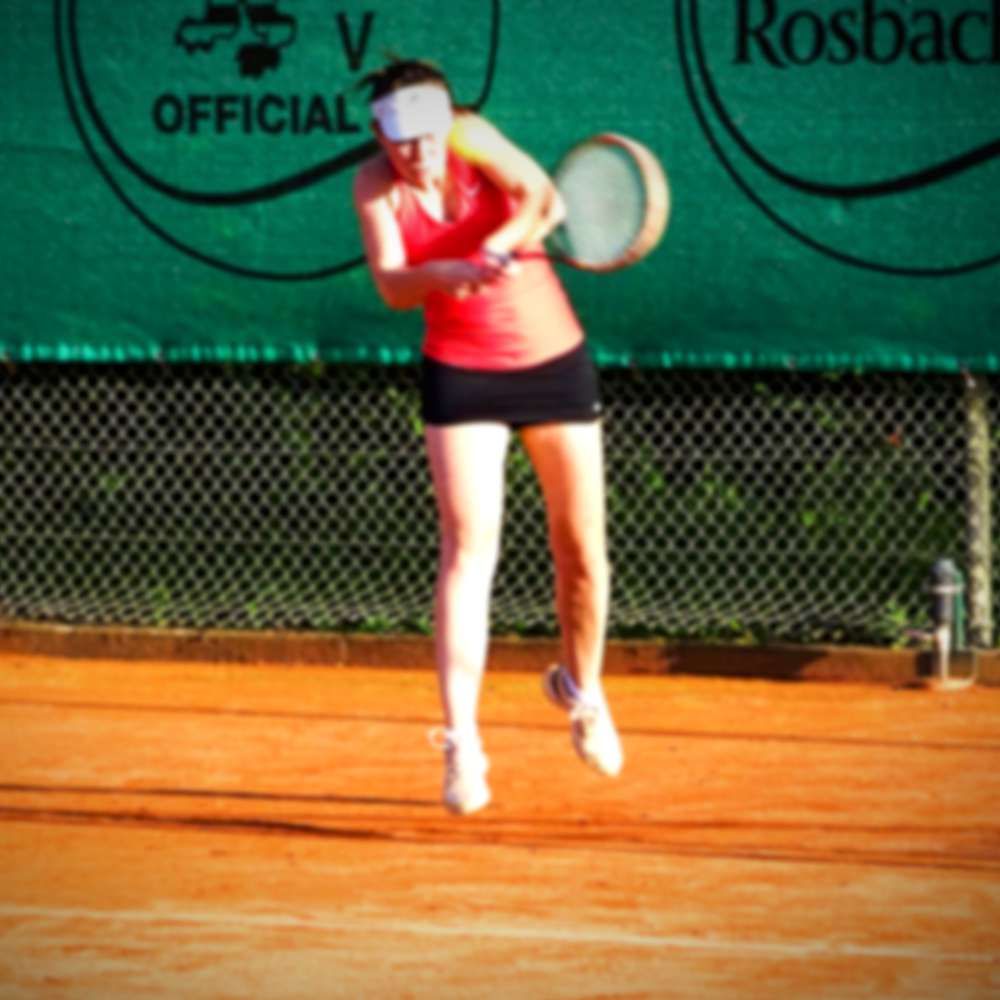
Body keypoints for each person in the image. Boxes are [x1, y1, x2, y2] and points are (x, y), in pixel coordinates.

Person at [352, 58, 623, 815]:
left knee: (583, 553)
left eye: (429, 136)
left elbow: (544, 197)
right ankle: (463, 744)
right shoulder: (373, 185)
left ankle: (582, 691)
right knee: (468, 549)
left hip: (553, 361)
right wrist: (445, 272)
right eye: (401, 140)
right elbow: (392, 284)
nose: (419, 153)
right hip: (461, 374)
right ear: (379, 134)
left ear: (448, 123)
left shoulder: (472, 136)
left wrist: (499, 242)